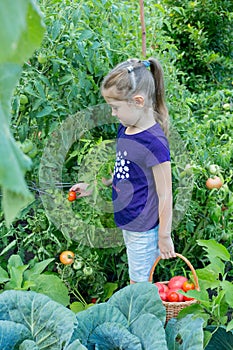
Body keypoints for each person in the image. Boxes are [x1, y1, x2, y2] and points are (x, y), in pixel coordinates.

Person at [70, 57, 176, 284]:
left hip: (144, 228)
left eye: (115, 107)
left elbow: (165, 193)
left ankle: (141, 317)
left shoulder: (154, 143)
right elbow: (122, 168)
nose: (113, 114)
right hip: (129, 220)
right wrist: (94, 186)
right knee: (137, 278)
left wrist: (164, 235)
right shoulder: (126, 129)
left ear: (138, 101)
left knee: (138, 283)